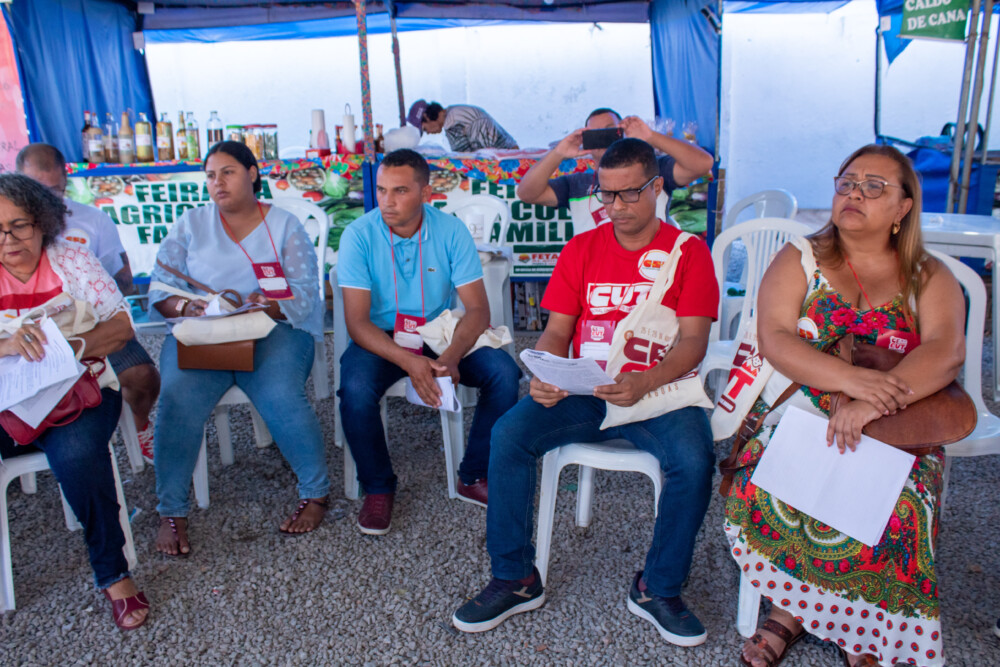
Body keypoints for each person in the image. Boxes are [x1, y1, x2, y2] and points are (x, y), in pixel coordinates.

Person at [452, 138, 718, 646]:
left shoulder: (688, 252)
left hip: (658, 391)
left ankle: (658, 588)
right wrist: (547, 372)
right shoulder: (582, 248)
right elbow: (557, 330)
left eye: (629, 193)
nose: (615, 206)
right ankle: (514, 578)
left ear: (657, 188)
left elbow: (693, 343)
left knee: (694, 458)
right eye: (606, 194)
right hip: (587, 389)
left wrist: (646, 380)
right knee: (508, 434)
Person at [726, 144, 965, 667]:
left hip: (898, 421)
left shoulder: (928, 275)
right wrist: (851, 381)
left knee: (901, 502)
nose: (855, 193)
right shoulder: (800, 257)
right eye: (847, 183)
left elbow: (946, 353)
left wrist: (868, 405)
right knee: (783, 477)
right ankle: (791, 609)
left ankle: (865, 630)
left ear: (903, 207)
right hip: (800, 412)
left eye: (874, 186)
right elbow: (776, 338)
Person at [148, 141, 330, 556]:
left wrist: (269, 304)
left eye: (228, 172)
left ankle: (316, 492)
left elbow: (305, 293)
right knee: (176, 397)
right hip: (204, 334)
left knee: (281, 394)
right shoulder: (191, 224)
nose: (218, 183)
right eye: (211, 176)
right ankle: (171, 511)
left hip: (273, 329)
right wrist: (187, 307)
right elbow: (159, 287)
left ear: (252, 173)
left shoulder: (284, 225)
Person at [337, 148, 521, 535]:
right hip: (382, 337)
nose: (387, 201)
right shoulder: (359, 235)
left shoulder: (450, 230)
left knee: (504, 373)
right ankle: (378, 487)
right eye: (381, 190)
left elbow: (477, 310)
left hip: (438, 332)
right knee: (354, 388)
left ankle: (474, 474)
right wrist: (410, 362)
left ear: (426, 192)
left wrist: (450, 358)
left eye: (400, 190)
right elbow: (357, 323)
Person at [0, 173, 149, 630]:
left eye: (19, 225)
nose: (9, 240)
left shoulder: (72, 259)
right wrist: (7, 345)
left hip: (78, 390)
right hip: (9, 401)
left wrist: (69, 348)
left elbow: (122, 328)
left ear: (42, 221)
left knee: (80, 457)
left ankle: (113, 573)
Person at [16, 144, 161, 465]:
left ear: (66, 181)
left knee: (143, 376)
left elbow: (124, 278)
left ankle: (139, 424)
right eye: (34, 190)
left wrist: (94, 286)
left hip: (92, 324)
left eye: (54, 191)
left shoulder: (93, 220)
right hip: (26, 334)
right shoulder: (9, 229)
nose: (43, 200)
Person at [516, 108, 713, 233]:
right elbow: (526, 193)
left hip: (649, 267)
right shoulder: (577, 183)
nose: (603, 138)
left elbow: (703, 163)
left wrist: (651, 136)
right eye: (595, 134)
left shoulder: (652, 169)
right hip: (595, 272)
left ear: (622, 134)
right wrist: (558, 153)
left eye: (610, 131)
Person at [407, 100, 518, 152]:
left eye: (425, 129)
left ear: (427, 117)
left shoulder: (453, 122)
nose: (428, 133)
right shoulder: (454, 112)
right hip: (511, 155)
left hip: (505, 164)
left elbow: (464, 158)